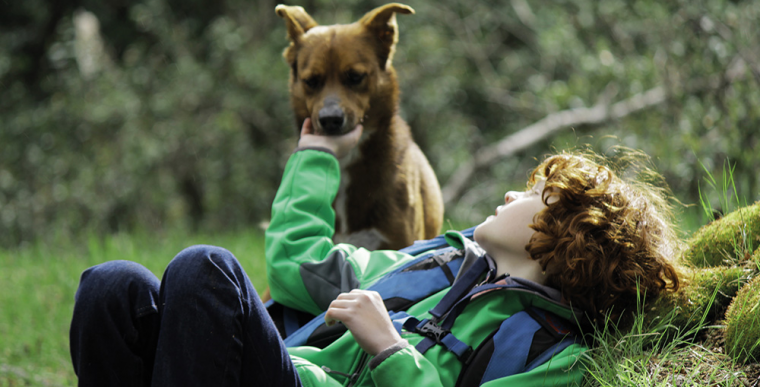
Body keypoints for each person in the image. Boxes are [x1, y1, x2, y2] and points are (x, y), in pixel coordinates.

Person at [70, 118, 681, 386]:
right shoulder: (437, 261)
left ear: (569, 235)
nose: (509, 194)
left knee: (205, 268)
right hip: (290, 375)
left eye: (533, 194)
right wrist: (315, 159)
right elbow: (300, 270)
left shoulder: (557, 353)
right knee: (113, 285)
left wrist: (390, 349)